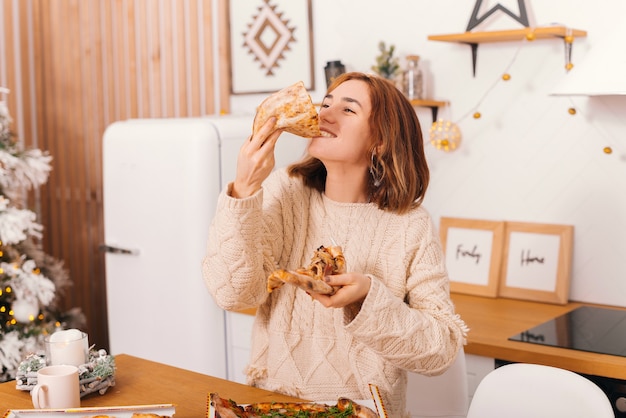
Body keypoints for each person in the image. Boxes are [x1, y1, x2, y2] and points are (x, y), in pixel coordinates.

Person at [202, 72, 468, 418]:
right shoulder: (285, 192)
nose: (323, 114)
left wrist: (368, 297)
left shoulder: (409, 225)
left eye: (348, 109)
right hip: (274, 405)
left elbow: (440, 350)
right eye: (325, 103)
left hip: (362, 411)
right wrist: (244, 189)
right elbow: (232, 294)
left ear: (381, 141)